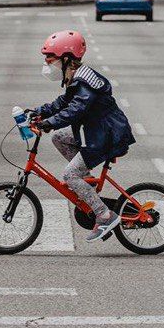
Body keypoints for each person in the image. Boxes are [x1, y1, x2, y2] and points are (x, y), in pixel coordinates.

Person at [29, 30, 135, 242]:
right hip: (94, 132)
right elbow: (63, 103)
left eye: (50, 57)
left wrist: (49, 123)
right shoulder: (76, 78)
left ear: (67, 58)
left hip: (105, 135)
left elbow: (75, 109)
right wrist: (39, 112)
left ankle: (105, 215)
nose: (47, 62)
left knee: (70, 175)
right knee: (59, 138)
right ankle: (86, 184)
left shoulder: (84, 82)